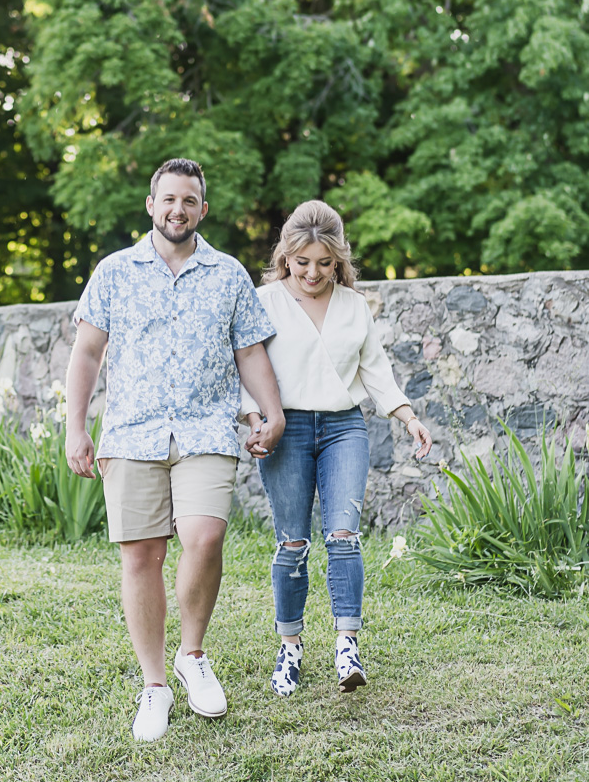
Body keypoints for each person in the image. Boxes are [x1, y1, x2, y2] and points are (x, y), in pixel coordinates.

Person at [65, 158, 286, 742]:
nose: (177, 210)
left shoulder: (229, 274)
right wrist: (75, 427)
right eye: (168, 199)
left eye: (189, 201)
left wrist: (274, 410)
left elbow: (251, 353)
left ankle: (193, 654)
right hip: (132, 433)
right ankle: (155, 685)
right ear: (150, 205)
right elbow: (87, 354)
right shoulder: (114, 272)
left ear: (202, 210)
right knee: (141, 557)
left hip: (206, 430)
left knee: (204, 536)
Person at [242, 199, 432, 697]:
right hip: (287, 429)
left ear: (338, 260)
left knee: (344, 535)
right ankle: (290, 648)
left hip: (344, 427)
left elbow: (376, 369)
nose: (312, 272)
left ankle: (347, 646)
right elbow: (245, 367)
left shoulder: (352, 305)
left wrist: (407, 417)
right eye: (302, 262)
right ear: (286, 256)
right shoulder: (265, 301)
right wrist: (254, 419)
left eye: (324, 264)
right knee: (293, 543)